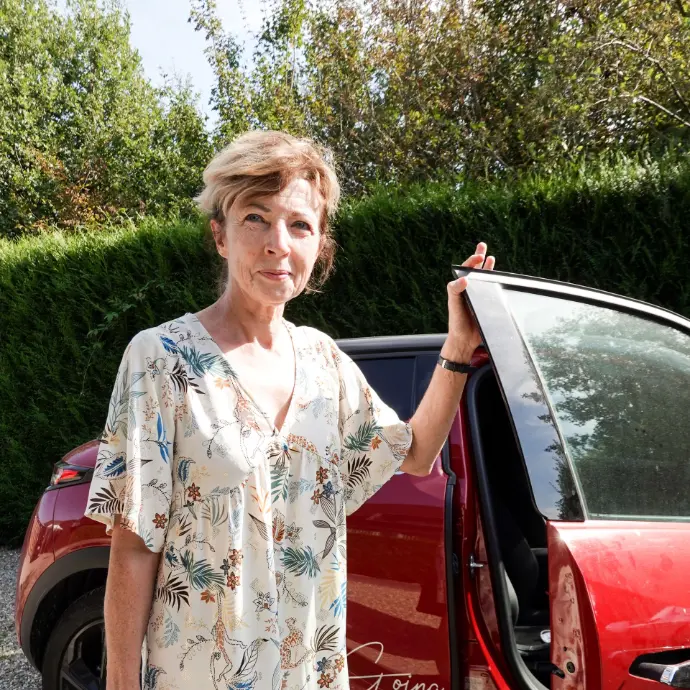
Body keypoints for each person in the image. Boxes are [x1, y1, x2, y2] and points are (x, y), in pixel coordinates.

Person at [85, 130, 495, 690]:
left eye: (300, 224)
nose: (278, 243)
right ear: (221, 236)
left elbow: (416, 453)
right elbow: (134, 544)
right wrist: (120, 682)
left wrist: (459, 344)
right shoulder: (161, 358)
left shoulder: (325, 361)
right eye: (256, 218)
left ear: (320, 245)